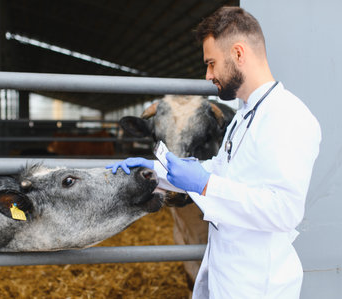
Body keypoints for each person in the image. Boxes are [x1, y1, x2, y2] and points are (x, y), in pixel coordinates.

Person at [107, 6, 321, 299]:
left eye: (211, 63)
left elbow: (284, 210)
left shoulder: (287, 116)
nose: (208, 75)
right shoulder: (244, 116)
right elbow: (219, 170)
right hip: (229, 272)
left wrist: (205, 184)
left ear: (238, 53)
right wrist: (157, 172)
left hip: (259, 284)